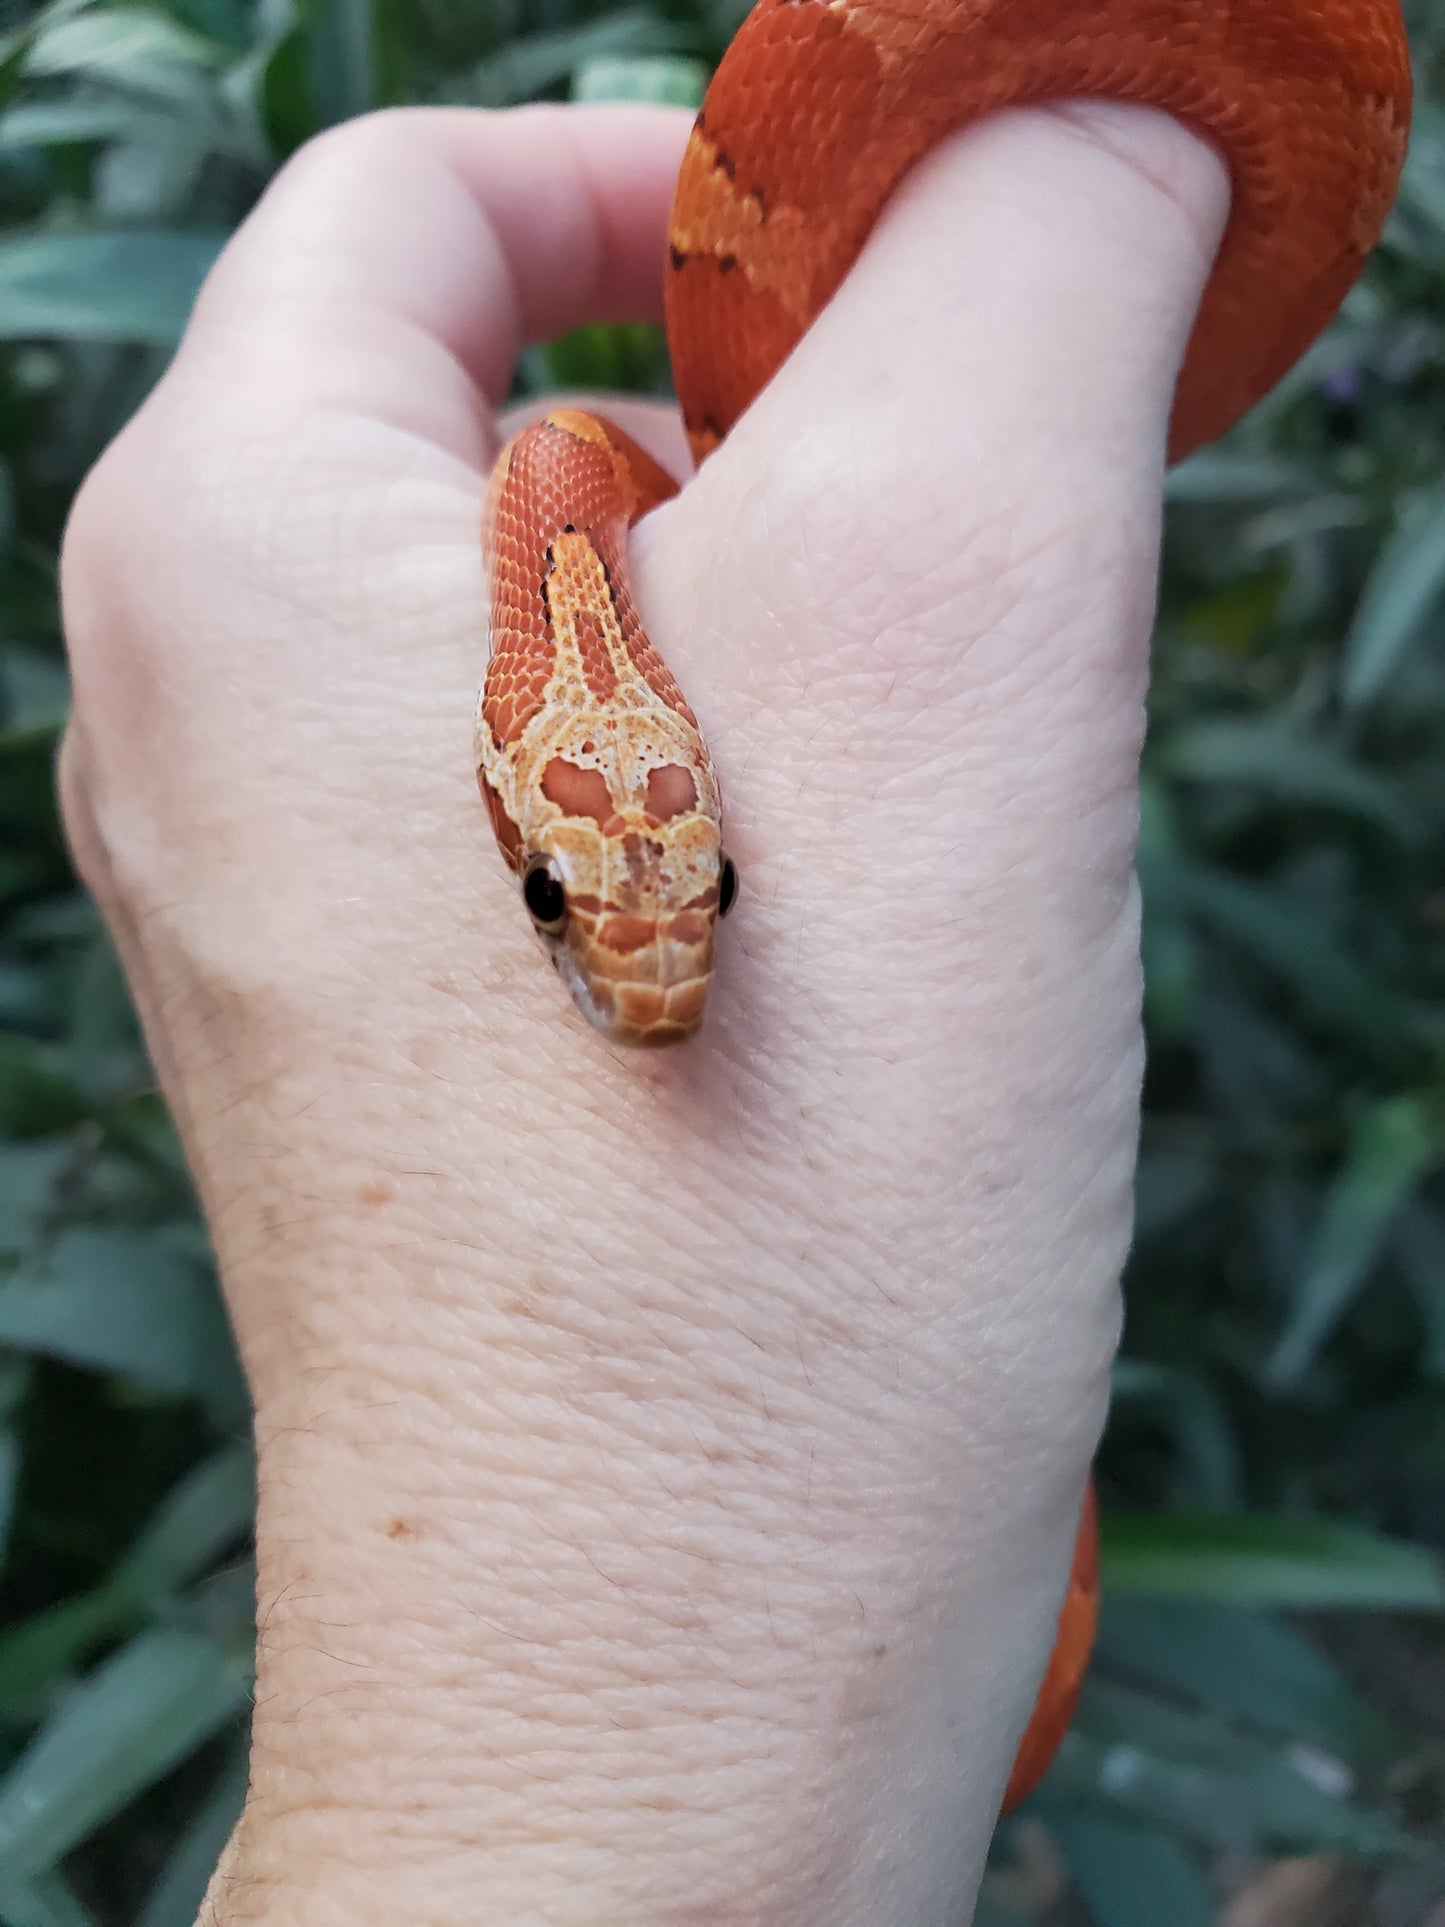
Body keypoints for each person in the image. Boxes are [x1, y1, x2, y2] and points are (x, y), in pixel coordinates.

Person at [58, 98, 1227, 1925]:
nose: (656, 994)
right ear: (498, 799)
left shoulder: (569, 528)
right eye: (555, 904)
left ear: (705, 812)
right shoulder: (554, 555)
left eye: (709, 897)